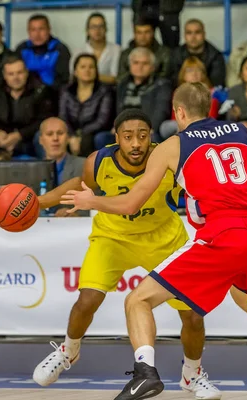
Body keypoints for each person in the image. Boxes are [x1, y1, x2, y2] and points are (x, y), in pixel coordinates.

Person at [61, 83, 247, 400]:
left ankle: (145, 373)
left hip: (222, 235)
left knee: (137, 300)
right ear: (210, 108)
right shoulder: (241, 131)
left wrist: (93, 202)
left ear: (179, 113)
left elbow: (131, 203)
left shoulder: (173, 145)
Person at [32, 109, 223, 400]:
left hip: (163, 238)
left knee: (193, 315)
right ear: (117, 137)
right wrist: (41, 201)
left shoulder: (168, 157)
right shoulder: (99, 161)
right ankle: (68, 351)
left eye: (142, 136)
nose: (136, 144)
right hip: (112, 236)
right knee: (87, 300)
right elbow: (81, 186)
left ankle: (192, 374)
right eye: (128, 137)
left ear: (151, 138)